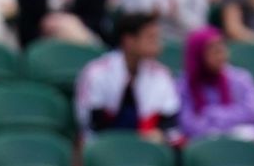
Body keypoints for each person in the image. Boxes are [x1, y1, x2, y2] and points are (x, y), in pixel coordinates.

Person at [74, 11, 181, 144]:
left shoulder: (162, 74)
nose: (158, 43)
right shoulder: (96, 72)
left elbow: (169, 120)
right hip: (104, 144)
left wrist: (158, 133)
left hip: (148, 147)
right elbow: (89, 121)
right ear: (129, 41)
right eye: (150, 37)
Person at [178, 27, 254, 140]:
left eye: (222, 49)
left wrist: (211, 114)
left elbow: (253, 112)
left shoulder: (241, 79)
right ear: (199, 56)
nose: (221, 56)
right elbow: (188, 124)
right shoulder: (185, 84)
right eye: (215, 52)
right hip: (203, 147)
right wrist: (219, 131)